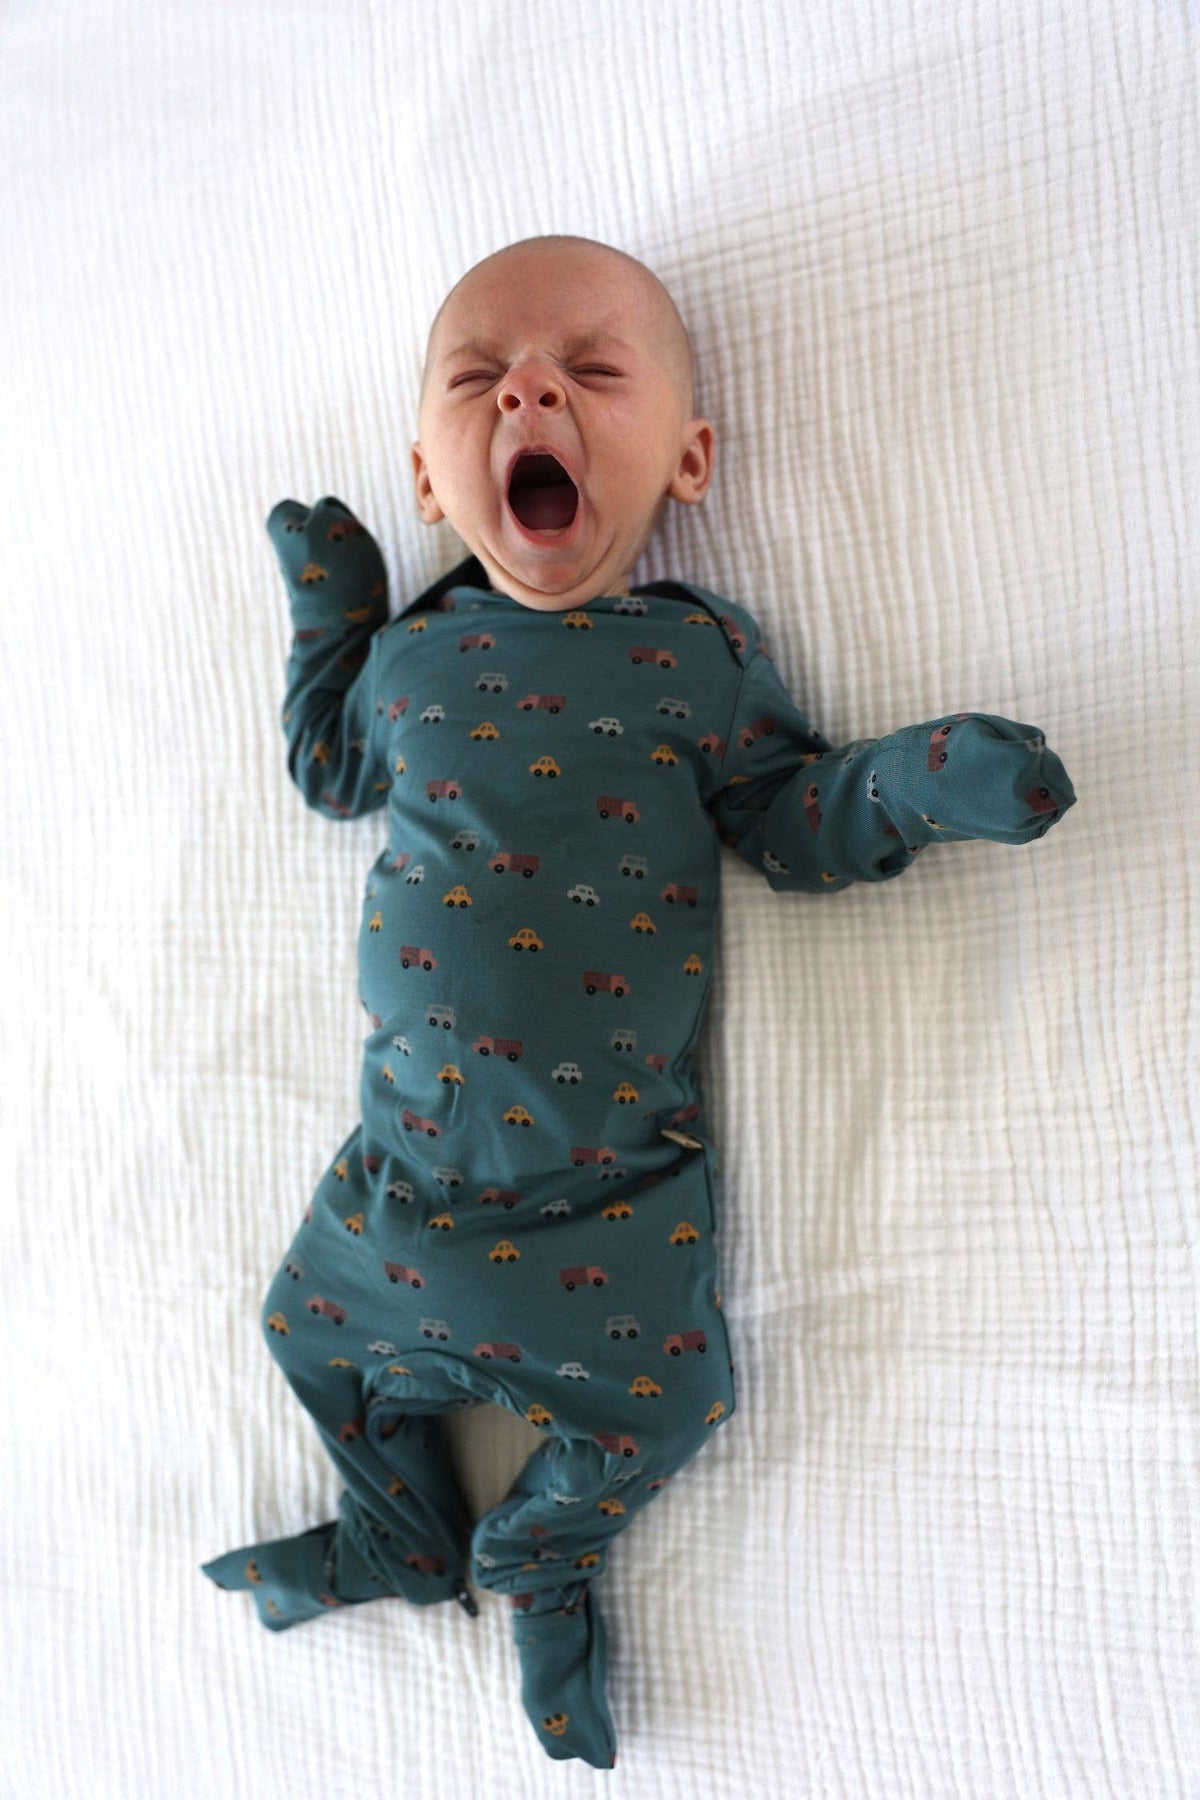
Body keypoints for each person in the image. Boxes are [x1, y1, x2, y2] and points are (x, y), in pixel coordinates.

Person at [200, 235, 1076, 1770]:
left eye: (592, 371)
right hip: (397, 1186)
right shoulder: (407, 662)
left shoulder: (694, 659)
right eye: (481, 379)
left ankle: (540, 1549)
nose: (529, 389)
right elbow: (328, 766)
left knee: (671, 1403)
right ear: (428, 481)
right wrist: (335, 612)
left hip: (605, 1208)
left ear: (689, 459)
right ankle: (401, 1530)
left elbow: (791, 821)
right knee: (295, 1330)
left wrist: (921, 781)